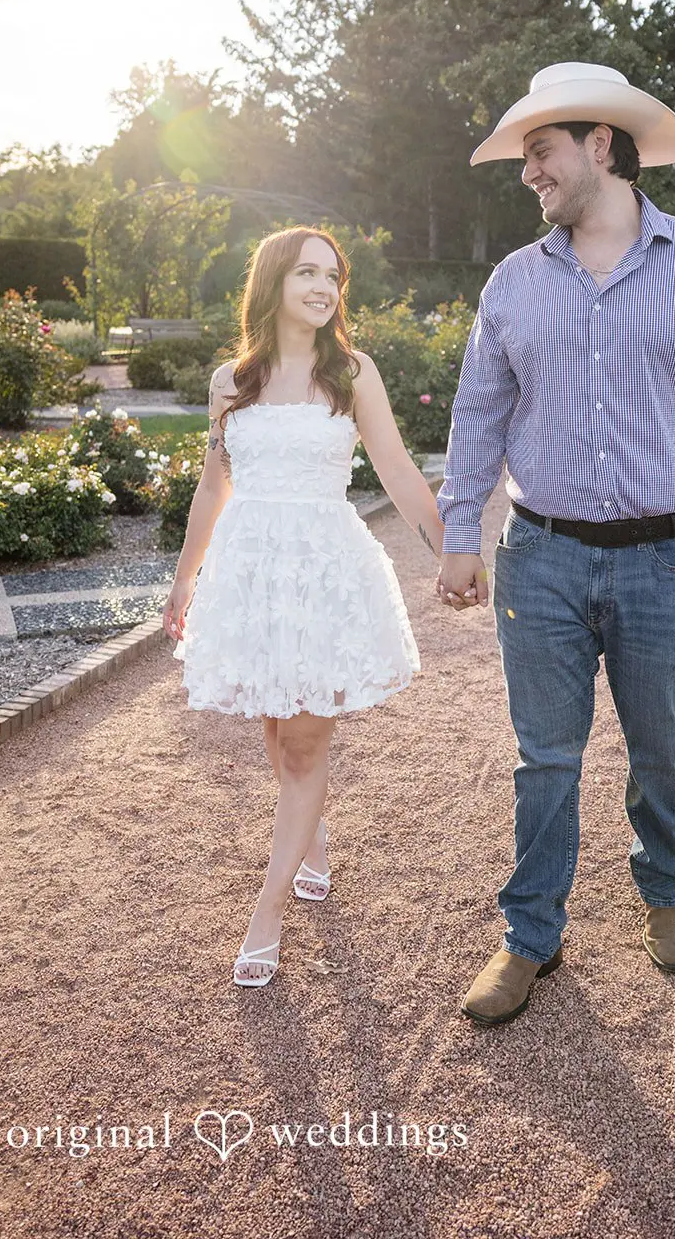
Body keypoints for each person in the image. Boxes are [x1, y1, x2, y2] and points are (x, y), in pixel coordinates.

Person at [436, 61, 675, 1027]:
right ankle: (530, 936)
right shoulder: (512, 283)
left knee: (662, 748)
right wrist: (458, 531)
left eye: (541, 151)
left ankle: (665, 892)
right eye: (523, 157)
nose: (529, 174)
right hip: (541, 556)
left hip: (667, 559)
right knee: (544, 757)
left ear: (600, 146)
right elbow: (478, 415)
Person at [163, 227, 444, 988]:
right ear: (273, 283)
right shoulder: (232, 379)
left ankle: (267, 911)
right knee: (276, 722)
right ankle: (310, 840)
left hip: (324, 572)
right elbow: (212, 488)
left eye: (333, 276)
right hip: (251, 574)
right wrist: (185, 579)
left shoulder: (351, 373)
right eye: (308, 273)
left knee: (303, 745)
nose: (323, 287)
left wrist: (450, 549)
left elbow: (395, 469)